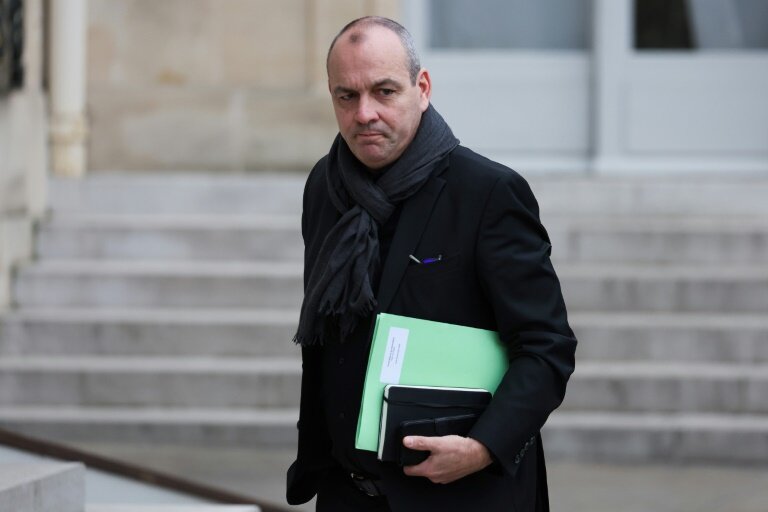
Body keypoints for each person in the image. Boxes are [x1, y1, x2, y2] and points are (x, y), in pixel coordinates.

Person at [287, 16, 576, 512]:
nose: (365, 114)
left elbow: (547, 347)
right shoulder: (325, 187)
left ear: (422, 88)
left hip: (462, 494)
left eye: (384, 91)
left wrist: (483, 447)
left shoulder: (488, 193)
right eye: (346, 96)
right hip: (346, 492)